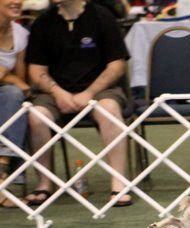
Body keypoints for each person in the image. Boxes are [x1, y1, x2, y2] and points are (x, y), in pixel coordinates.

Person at [25, 0, 132, 206]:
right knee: (36, 115)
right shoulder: (42, 23)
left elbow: (117, 65)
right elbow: (36, 72)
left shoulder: (102, 17)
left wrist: (89, 92)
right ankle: (44, 184)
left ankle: (119, 183)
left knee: (109, 109)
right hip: (55, 92)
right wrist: (58, 92)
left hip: (100, 90)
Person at [0, 0, 29, 208]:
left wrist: (8, 78)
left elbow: (22, 81)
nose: (17, 1)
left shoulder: (20, 34)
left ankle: (2, 169)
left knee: (13, 95)